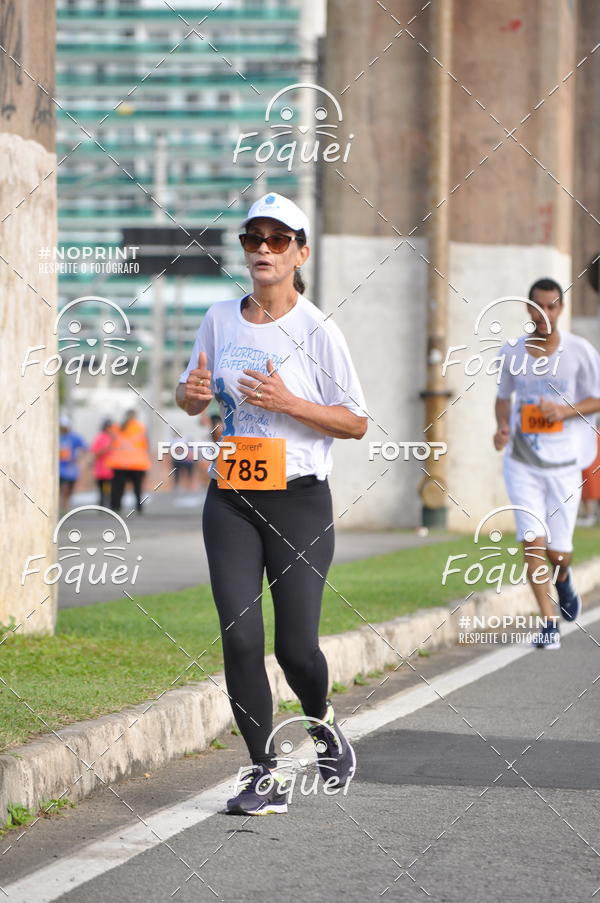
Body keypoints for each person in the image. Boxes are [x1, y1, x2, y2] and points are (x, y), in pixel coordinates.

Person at [176, 193, 368, 815]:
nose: (263, 249)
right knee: (239, 638)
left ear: (299, 253)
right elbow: (190, 397)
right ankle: (265, 772)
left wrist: (290, 403)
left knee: (295, 648)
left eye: (278, 239)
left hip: (298, 504)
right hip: (230, 497)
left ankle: (322, 721)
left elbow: (355, 422)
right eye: (253, 238)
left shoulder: (317, 331)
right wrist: (192, 394)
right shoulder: (218, 318)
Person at [494, 277, 600, 649]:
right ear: (528, 308)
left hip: (565, 463)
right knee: (532, 541)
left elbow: (597, 398)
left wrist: (564, 410)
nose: (545, 314)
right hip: (522, 462)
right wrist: (502, 427)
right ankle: (549, 622)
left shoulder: (579, 351)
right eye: (538, 307)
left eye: (552, 306)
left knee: (558, 552)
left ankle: (564, 577)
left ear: (561, 308)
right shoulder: (511, 352)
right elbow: (503, 397)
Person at [106, 410, 151, 513]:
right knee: (137, 488)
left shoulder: (117, 427)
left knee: (118, 487)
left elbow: (111, 442)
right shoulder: (141, 428)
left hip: (119, 463)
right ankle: (139, 508)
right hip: (137, 463)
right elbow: (145, 445)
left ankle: (115, 507)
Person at [58, 414, 87, 514]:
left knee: (70, 488)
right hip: (60, 468)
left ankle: (66, 503)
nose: (64, 428)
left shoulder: (74, 437)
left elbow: (85, 447)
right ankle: (63, 506)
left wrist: (80, 458)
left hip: (71, 468)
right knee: (63, 487)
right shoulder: (57, 436)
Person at [90, 419, 115, 508]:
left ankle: (109, 506)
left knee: (109, 490)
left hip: (111, 471)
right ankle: (102, 506)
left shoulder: (114, 437)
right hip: (101, 471)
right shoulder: (100, 437)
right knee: (102, 490)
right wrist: (106, 449)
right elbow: (95, 453)